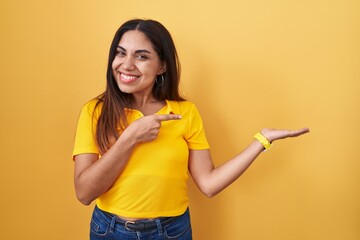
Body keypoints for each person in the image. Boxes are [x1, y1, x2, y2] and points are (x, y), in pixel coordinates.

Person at [72, 19, 309, 240]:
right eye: (120, 53)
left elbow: (208, 184)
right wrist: (131, 137)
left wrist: (262, 140)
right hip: (110, 231)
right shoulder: (95, 111)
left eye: (141, 56)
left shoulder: (185, 113)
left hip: (171, 231)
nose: (126, 64)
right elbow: (84, 193)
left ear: (162, 66)